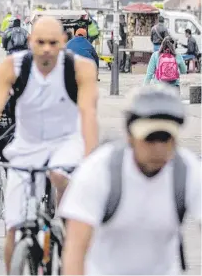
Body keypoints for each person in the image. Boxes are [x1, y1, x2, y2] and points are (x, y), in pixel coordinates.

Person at [0, 16, 99, 273]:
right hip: (26, 146)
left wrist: (91, 158)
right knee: (13, 227)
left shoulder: (80, 68)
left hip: (66, 142)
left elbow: (88, 114)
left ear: (63, 43)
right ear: (29, 42)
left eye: (53, 42)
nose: (46, 48)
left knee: (60, 175)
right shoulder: (12, 67)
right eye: (40, 42)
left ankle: (67, 225)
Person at [58, 84, 201, 275]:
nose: (158, 148)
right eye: (150, 138)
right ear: (130, 137)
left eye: (166, 138)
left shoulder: (187, 171)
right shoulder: (99, 170)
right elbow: (75, 249)